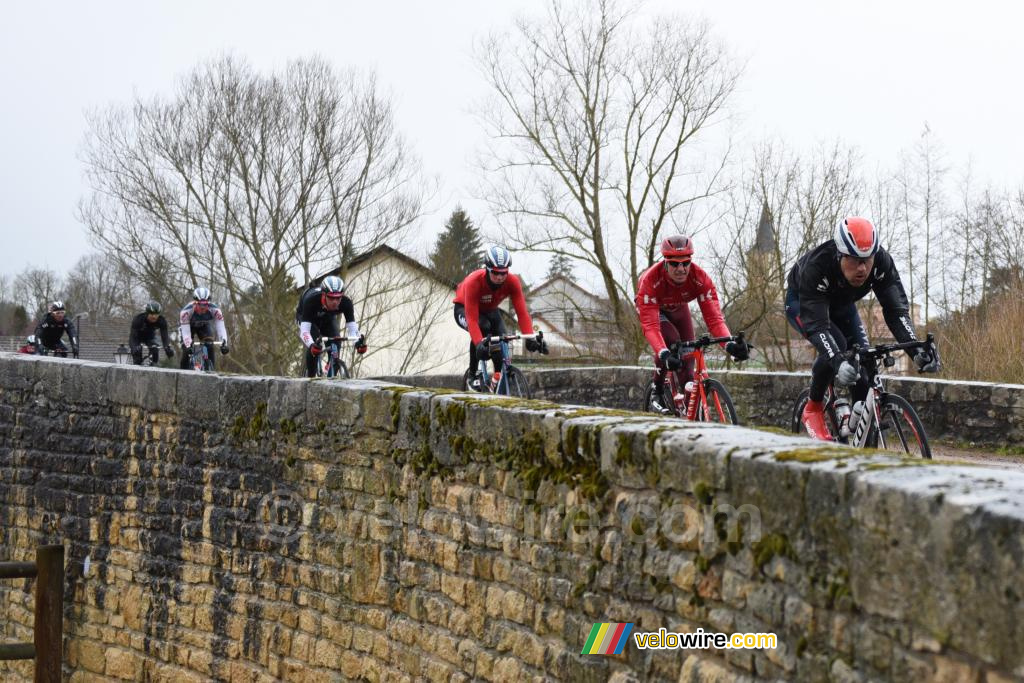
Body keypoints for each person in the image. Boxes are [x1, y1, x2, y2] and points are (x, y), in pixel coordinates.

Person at [786, 216, 939, 440]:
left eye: (867, 260)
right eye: (855, 260)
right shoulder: (817, 266)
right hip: (802, 303)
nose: (862, 268)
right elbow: (817, 327)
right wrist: (838, 361)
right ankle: (813, 406)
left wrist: (916, 350)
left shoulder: (881, 262)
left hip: (842, 305)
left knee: (864, 362)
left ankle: (859, 429)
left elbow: (896, 311)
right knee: (838, 346)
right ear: (840, 254)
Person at [635, 235, 749, 414]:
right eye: (674, 264)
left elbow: (715, 319)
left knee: (688, 366)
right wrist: (664, 353)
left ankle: (690, 414)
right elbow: (650, 326)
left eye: (685, 263)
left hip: (679, 308)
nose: (681, 268)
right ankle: (657, 390)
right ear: (665, 262)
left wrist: (729, 345)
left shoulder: (700, 278)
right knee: (672, 341)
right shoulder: (651, 280)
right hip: (656, 311)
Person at [453, 244, 547, 389]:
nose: (500, 277)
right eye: (496, 273)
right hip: (464, 309)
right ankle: (473, 374)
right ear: (487, 269)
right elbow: (472, 319)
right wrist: (479, 344)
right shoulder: (474, 282)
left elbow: (522, 313)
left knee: (502, 338)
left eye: (503, 273)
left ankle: (496, 379)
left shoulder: (512, 282)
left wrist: (530, 338)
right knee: (483, 327)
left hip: (490, 309)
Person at [296, 275, 367, 378]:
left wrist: (358, 343)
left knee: (336, 341)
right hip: (307, 317)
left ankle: (330, 370)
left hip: (327, 317)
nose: (335, 302)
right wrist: (311, 345)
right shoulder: (311, 300)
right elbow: (304, 331)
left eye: (338, 298)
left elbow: (352, 329)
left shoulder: (346, 303)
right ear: (323, 295)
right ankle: (310, 378)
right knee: (314, 345)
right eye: (331, 298)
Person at [178, 287, 230, 370]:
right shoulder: (186, 312)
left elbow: (220, 327)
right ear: (195, 303)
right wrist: (188, 345)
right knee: (186, 351)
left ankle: (211, 371)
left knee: (210, 345)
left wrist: (224, 343)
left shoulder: (215, 310)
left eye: (205, 304)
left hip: (203, 326)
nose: (202, 307)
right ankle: (183, 372)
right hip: (188, 327)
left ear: (208, 303)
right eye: (200, 304)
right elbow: (186, 331)